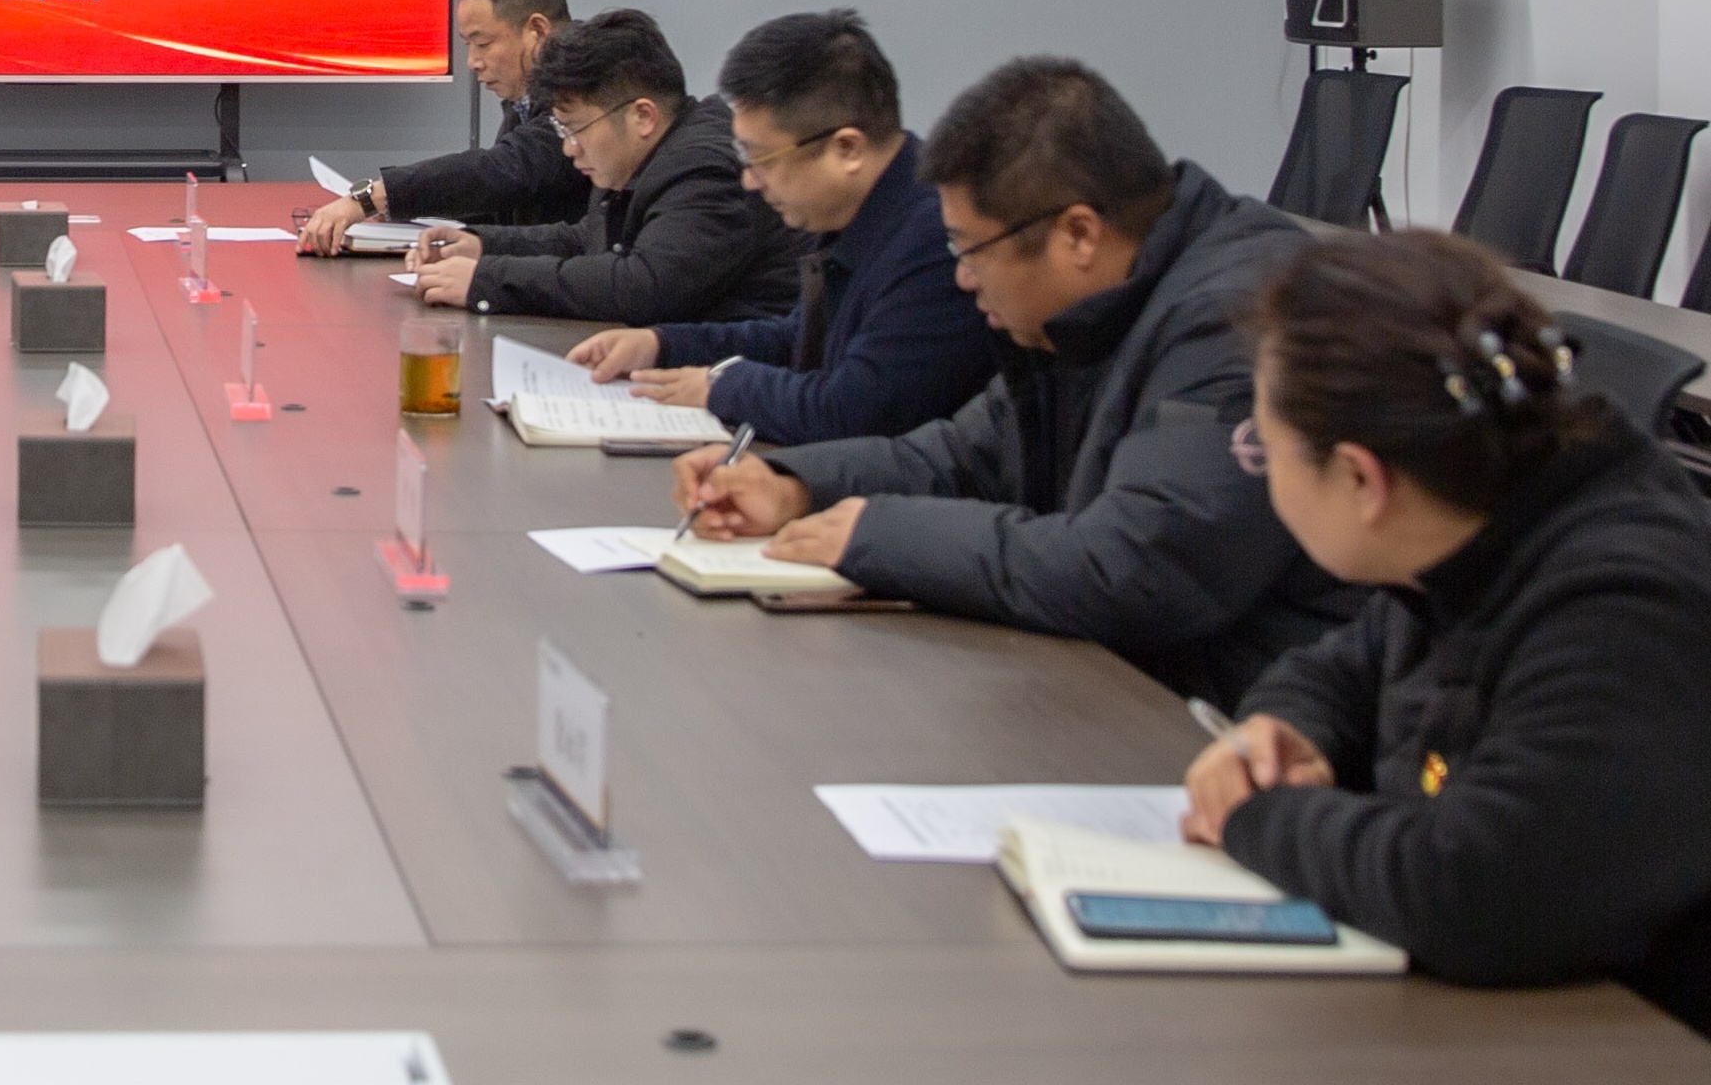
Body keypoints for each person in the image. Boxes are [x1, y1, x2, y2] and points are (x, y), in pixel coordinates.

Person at [673, 56, 1364, 702]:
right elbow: (960, 456)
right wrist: (795, 485)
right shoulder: (1088, 309)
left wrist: (879, 536)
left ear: (1078, 235)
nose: (963, 278)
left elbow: (1134, 571)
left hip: (1239, 722)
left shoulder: (1238, 323)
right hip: (1125, 688)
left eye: (971, 250)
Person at [1182, 232, 1711, 1028]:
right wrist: (1287, 728)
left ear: (1361, 478)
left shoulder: (1621, 607)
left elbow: (1477, 891)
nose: (1256, 466)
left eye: (1264, 448)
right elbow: (1339, 668)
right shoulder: (1472, 524)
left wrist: (1255, 818)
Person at [565, 11, 995, 443]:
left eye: (760, 159)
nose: (749, 180)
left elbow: (852, 412)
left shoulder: (934, 242)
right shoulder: (861, 212)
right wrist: (662, 345)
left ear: (847, 149)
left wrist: (723, 387)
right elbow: (799, 338)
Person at [407, 10, 802, 326]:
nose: (568, 147)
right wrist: (481, 244)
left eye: (576, 128)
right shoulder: (643, 157)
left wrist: (488, 279)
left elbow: (643, 286)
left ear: (642, 117)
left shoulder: (705, 170)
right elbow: (589, 239)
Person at [300, 0, 582, 253]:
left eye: (484, 44)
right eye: (468, 45)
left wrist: (377, 197)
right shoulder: (527, 93)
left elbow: (506, 170)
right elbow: (507, 200)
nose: (473, 62)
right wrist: (405, 211)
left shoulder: (584, 84)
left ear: (537, 30)